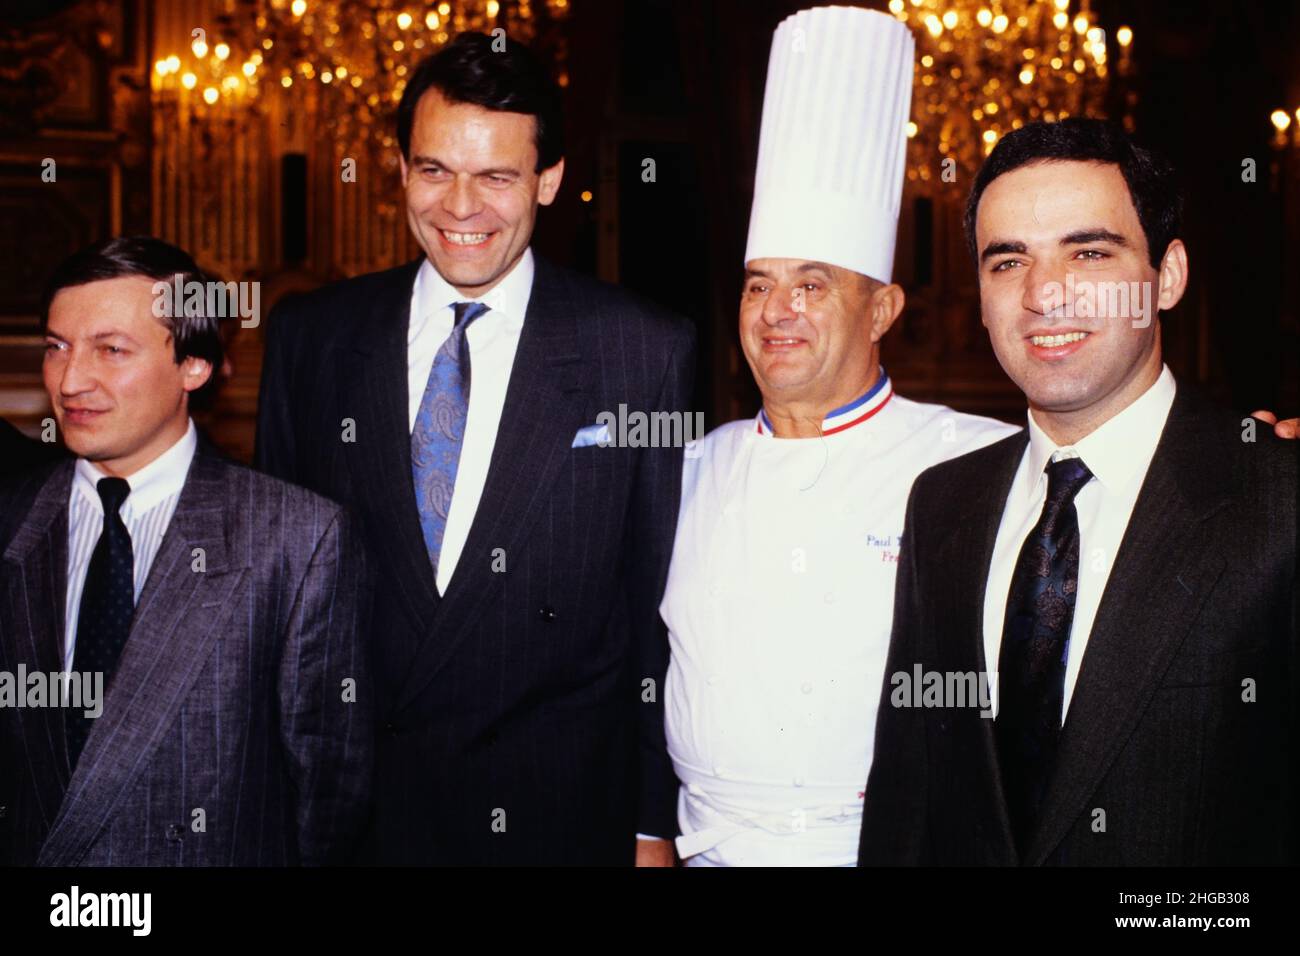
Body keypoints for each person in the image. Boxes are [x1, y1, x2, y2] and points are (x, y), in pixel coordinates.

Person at [255, 33, 694, 865]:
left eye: (496, 176)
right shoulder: (314, 338)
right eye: (434, 171)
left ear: (550, 180)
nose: (461, 207)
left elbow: (654, 607)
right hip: (355, 817)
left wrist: (650, 822)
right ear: (400, 169)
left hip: (554, 815)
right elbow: (272, 599)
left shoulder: (639, 350)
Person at [860, 119, 1297, 865]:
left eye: (1088, 252)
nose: (1044, 295)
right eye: (1007, 262)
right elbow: (911, 795)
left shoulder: (1275, 498)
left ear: (1168, 276)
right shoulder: (942, 505)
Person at [660, 7, 1018, 867]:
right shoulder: (686, 468)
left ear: (883, 309)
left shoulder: (977, 459)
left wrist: (1245, 452)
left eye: (814, 284)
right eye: (757, 287)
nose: (776, 312)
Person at [0, 237, 372, 865]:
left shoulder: (298, 539)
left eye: (110, 350)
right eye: (57, 347)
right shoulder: (11, 517)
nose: (70, 380)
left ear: (194, 367)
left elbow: (327, 794)